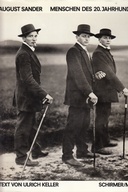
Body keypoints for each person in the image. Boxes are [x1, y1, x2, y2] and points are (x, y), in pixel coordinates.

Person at [13, 24, 53, 166]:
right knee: (23, 127)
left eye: (35, 36)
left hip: (29, 96)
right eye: (31, 36)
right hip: (26, 97)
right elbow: (27, 79)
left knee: (31, 125)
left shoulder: (28, 51)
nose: (34, 39)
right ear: (24, 38)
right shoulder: (24, 53)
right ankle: (21, 157)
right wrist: (44, 94)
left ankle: (35, 150)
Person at [62, 24, 98, 167]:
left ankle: (82, 151)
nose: (86, 38)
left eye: (88, 36)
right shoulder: (73, 51)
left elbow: (88, 75)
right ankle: (67, 155)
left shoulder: (85, 51)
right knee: (73, 125)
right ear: (77, 37)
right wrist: (89, 92)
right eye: (84, 36)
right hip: (77, 96)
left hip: (85, 96)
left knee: (84, 124)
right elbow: (78, 75)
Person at [91, 28, 128, 155]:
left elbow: (110, 72)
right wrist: (122, 88)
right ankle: (97, 146)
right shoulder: (98, 53)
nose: (108, 40)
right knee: (101, 118)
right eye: (105, 38)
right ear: (99, 39)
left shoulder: (104, 52)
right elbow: (108, 73)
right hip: (101, 91)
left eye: (109, 38)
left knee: (105, 116)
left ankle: (105, 140)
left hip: (107, 90)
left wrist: (116, 88)